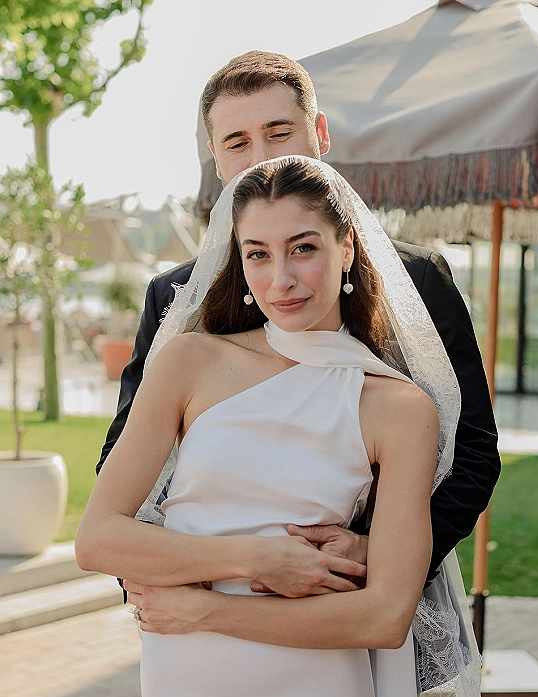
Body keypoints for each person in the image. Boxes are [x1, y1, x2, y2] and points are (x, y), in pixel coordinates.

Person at [77, 157, 527, 697]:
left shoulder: (397, 408)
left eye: (304, 249)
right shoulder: (190, 362)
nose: (279, 280)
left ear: (348, 248)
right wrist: (259, 560)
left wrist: (212, 612)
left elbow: (384, 617)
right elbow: (99, 539)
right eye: (257, 254)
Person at [96, 51, 500, 622]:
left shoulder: (417, 279)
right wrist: (161, 581)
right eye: (237, 142)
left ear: (320, 133)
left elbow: (473, 451)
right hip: (198, 608)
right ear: (215, 156)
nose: (261, 158)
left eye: (279, 132)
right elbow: (124, 464)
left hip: (355, 599)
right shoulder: (173, 298)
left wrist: (375, 554)